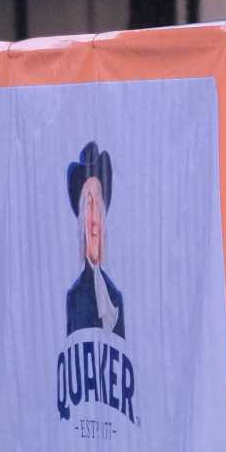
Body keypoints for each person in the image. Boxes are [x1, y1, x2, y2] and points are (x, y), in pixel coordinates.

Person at [64, 143, 124, 335]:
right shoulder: (74, 297)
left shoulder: (114, 297)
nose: (93, 219)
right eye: (88, 203)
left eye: (97, 203)